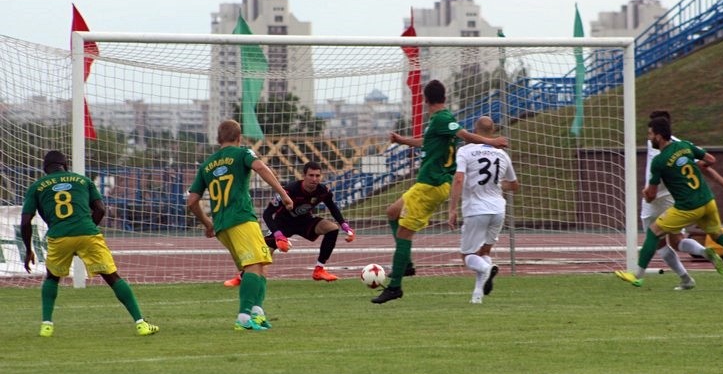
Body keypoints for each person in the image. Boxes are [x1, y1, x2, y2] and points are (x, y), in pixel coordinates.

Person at [371, 80, 509, 304]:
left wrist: (491, 142)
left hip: (431, 185)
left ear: (425, 99)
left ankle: (395, 286)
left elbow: (465, 135)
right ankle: (405, 264)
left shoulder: (444, 118)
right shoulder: (438, 122)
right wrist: (402, 141)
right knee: (392, 212)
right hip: (426, 183)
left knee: (405, 234)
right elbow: (428, 142)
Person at [21, 150, 159, 337]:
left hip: (59, 236)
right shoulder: (83, 180)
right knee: (112, 277)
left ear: (45, 169)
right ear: (65, 165)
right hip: (87, 232)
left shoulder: (37, 186)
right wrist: (86, 229)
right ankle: (141, 324)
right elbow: (101, 208)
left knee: (52, 277)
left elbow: (26, 220)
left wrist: (29, 250)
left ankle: (46, 326)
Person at [615, 117, 723, 287]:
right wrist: (690, 164)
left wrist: (646, 194)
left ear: (658, 136)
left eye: (650, 135)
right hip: (707, 200)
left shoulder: (659, 160)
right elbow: (711, 160)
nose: (649, 139)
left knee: (653, 232)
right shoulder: (685, 145)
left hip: (688, 206)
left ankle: (637, 275)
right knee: (718, 235)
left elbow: (651, 196)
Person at [187, 119, 294, 331]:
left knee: (258, 266)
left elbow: (191, 201)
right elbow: (261, 168)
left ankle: (257, 313)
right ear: (239, 138)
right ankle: (244, 317)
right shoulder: (242, 153)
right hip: (242, 219)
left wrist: (207, 223)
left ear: (218, 139)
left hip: (221, 226)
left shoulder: (207, 165)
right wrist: (283, 194)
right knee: (255, 265)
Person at [222, 160, 355, 285]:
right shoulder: (289, 190)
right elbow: (268, 214)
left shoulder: (323, 190)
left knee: (332, 228)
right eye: (311, 175)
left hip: (304, 221)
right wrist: (278, 235)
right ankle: (242, 277)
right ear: (304, 176)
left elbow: (332, 207)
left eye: (317, 176)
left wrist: (344, 225)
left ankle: (319, 270)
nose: (314, 179)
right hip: (283, 224)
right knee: (265, 252)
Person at [448, 116, 519, 303]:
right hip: (498, 209)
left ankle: (487, 269)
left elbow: (458, 179)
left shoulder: (465, 151)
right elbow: (513, 185)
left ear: (474, 129)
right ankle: (477, 295)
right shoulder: (502, 154)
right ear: (493, 131)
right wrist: (494, 185)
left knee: (467, 256)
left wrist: (452, 209)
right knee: (484, 253)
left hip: (476, 209)